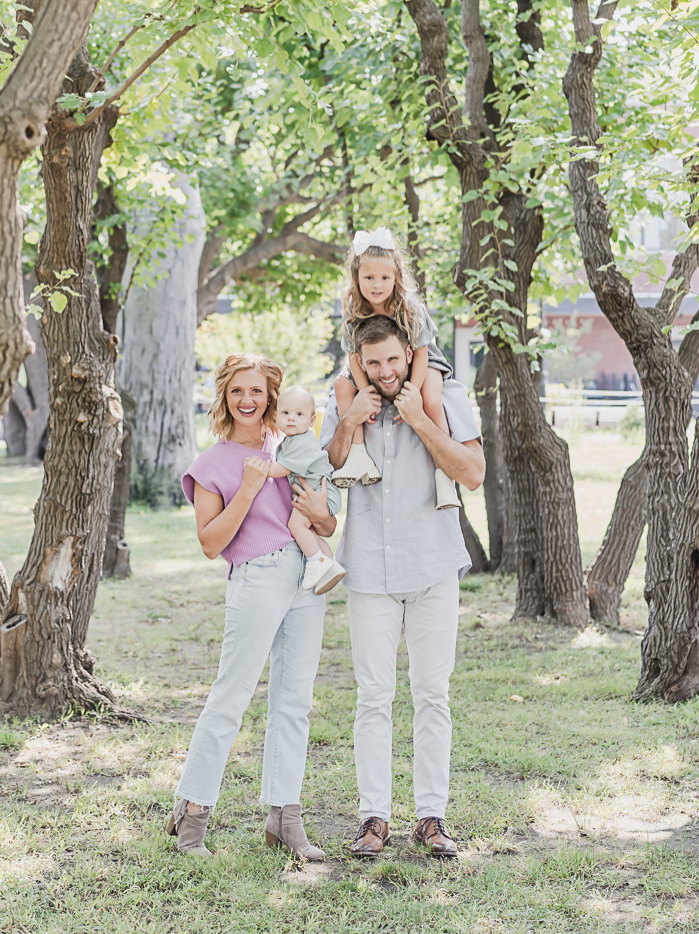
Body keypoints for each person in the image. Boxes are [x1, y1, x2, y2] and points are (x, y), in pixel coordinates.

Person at [320, 315, 485, 860]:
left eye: (394, 359)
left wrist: (418, 419)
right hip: (368, 570)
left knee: (432, 695)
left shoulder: (445, 394)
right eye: (374, 363)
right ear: (359, 364)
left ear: (408, 353)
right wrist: (348, 421)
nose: (386, 371)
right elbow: (330, 466)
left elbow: (473, 472)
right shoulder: (345, 401)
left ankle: (432, 816)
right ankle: (374, 817)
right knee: (373, 696)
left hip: (433, 565)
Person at [167, 353, 336, 862]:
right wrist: (247, 486)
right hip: (257, 577)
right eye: (238, 391)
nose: (248, 400)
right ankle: (192, 818)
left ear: (273, 397)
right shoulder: (211, 462)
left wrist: (323, 518)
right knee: (231, 697)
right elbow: (210, 542)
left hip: (307, 575)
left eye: (258, 392)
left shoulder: (291, 444)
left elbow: (324, 524)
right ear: (224, 396)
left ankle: (285, 817)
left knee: (295, 699)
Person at [332, 227, 459, 510]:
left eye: (384, 278)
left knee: (430, 400)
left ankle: (444, 474)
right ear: (357, 278)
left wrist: (412, 390)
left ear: (396, 277)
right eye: (369, 278)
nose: (377, 285)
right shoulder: (353, 308)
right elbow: (353, 355)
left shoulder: (408, 306)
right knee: (341, 385)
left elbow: (423, 351)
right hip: (372, 365)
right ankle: (358, 454)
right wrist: (365, 391)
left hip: (422, 363)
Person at [263, 384, 346, 595]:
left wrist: (261, 469)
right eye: (285, 413)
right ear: (276, 416)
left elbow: (281, 469)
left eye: (299, 414)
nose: (291, 418)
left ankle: (315, 561)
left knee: (295, 525)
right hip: (314, 490)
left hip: (318, 492)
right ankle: (329, 562)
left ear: (311, 421)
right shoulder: (291, 440)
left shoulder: (302, 442)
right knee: (307, 531)